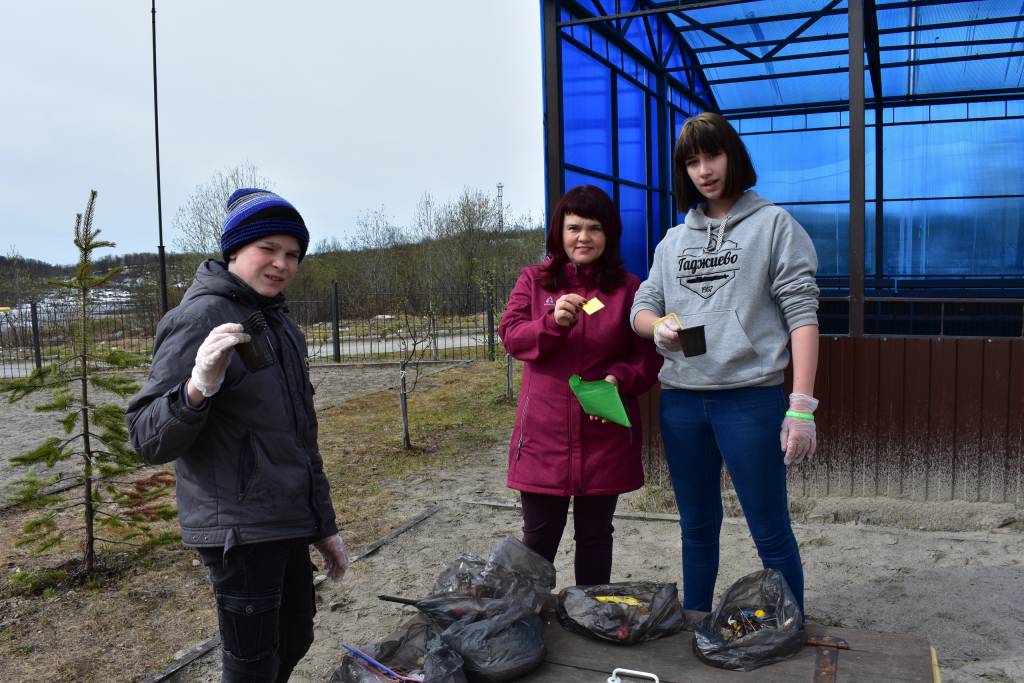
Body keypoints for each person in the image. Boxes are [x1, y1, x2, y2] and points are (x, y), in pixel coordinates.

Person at [127, 188, 348, 683]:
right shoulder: (199, 318)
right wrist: (195, 389)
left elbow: (300, 439)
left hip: (285, 517)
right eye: (267, 249)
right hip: (239, 529)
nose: (281, 263)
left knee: (296, 638)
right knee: (251, 666)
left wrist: (323, 526)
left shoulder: (279, 323)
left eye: (292, 254)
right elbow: (145, 436)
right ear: (234, 251)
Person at [630, 112, 820, 614]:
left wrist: (800, 406)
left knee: (770, 530)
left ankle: (790, 625)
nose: (703, 170)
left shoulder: (775, 225)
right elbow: (641, 307)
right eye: (691, 162)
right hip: (683, 404)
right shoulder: (673, 241)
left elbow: (802, 313)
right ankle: (696, 621)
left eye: (711, 155)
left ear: (733, 156)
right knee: (696, 527)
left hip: (750, 400)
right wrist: (658, 328)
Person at [498, 185, 662, 586]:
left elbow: (648, 356)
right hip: (543, 438)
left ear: (609, 236)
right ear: (559, 233)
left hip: (602, 436)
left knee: (595, 537)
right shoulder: (534, 282)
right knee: (537, 541)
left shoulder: (628, 289)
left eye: (594, 228)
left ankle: (590, 621)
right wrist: (552, 324)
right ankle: (525, 620)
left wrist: (617, 379)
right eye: (574, 228)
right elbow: (512, 336)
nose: (583, 238)